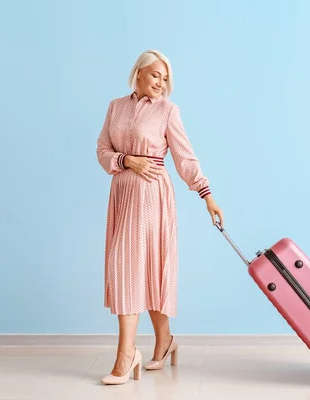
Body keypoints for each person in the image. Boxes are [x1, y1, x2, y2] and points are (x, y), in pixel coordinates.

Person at [96, 49, 224, 385]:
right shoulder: (115, 107)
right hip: (123, 196)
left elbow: (185, 157)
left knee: (140, 268)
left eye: (165, 78)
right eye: (155, 75)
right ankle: (164, 341)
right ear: (138, 73)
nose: (161, 83)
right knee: (136, 269)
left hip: (153, 197)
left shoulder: (168, 111)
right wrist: (126, 160)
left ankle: (126, 356)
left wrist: (206, 195)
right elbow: (102, 151)